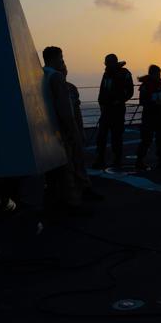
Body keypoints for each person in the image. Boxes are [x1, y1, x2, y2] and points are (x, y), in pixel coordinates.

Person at [42, 46, 87, 214]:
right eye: (61, 58)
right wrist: (73, 129)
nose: (62, 61)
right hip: (61, 129)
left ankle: (55, 202)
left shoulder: (41, 75)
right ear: (55, 58)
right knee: (69, 167)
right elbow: (64, 108)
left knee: (54, 171)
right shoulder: (56, 76)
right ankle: (73, 204)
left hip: (47, 129)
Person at [62, 62, 102, 201]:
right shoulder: (53, 88)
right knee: (68, 166)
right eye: (61, 62)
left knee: (78, 162)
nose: (64, 67)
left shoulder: (72, 88)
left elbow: (77, 112)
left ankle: (84, 189)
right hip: (62, 134)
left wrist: (81, 131)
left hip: (74, 132)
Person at [92, 54, 134, 169]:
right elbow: (102, 91)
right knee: (101, 136)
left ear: (114, 62)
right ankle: (100, 159)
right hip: (106, 110)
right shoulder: (106, 75)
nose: (106, 64)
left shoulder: (124, 73)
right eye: (106, 62)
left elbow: (130, 91)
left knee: (116, 136)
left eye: (108, 62)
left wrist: (119, 101)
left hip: (117, 110)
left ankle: (117, 160)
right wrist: (101, 103)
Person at [135, 65, 161, 171]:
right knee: (146, 140)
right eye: (157, 73)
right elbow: (143, 101)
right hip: (148, 117)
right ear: (151, 74)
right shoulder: (145, 87)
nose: (158, 76)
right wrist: (158, 104)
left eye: (159, 73)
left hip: (159, 117)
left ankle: (160, 161)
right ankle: (140, 161)